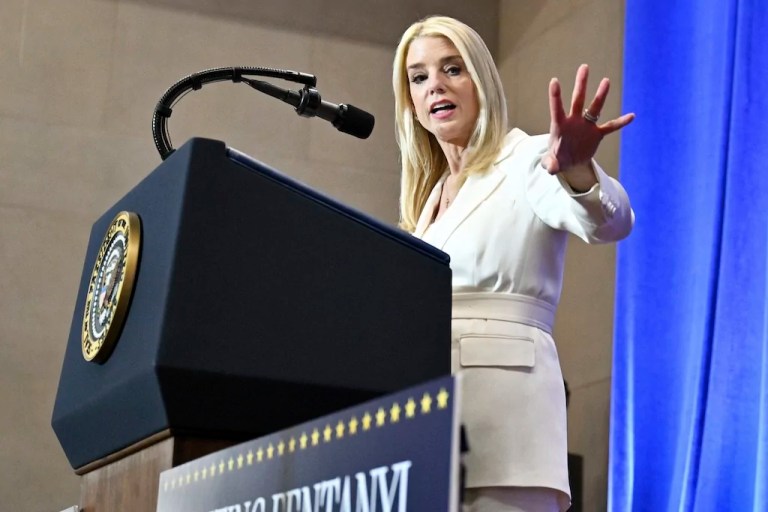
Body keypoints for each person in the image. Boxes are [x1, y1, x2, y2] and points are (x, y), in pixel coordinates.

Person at [392, 15, 635, 512]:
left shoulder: (528, 158)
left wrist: (577, 169)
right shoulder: (426, 204)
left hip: (507, 432)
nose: (435, 84)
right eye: (419, 77)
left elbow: (612, 222)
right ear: (412, 105)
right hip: (430, 428)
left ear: (480, 79)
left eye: (452, 68)